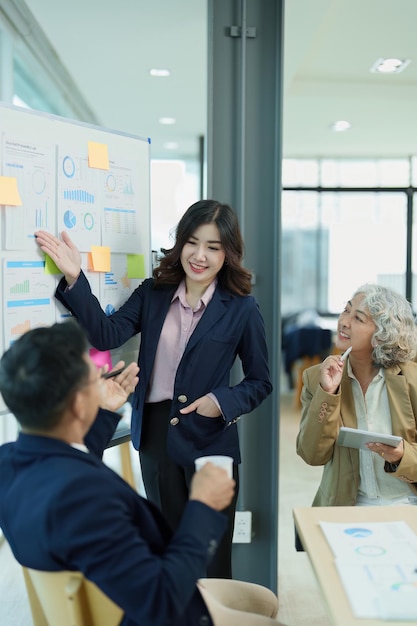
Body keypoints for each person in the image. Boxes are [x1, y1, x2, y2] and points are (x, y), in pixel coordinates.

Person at [34, 199, 272, 579]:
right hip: (157, 438)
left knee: (210, 559)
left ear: (227, 253)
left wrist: (221, 401)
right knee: (169, 552)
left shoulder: (241, 308)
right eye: (192, 242)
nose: (199, 255)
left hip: (210, 442)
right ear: (180, 243)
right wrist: (77, 279)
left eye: (213, 247)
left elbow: (260, 381)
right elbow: (105, 334)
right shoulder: (155, 292)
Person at [0, 321, 281, 626]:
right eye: (94, 376)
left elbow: (68, 466)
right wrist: (203, 507)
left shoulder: (11, 464)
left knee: (264, 600)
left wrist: (104, 411)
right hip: (158, 605)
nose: (101, 376)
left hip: (123, 590)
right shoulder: (87, 500)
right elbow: (160, 603)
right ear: (79, 404)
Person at [297, 283, 417, 510]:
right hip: (348, 506)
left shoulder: (413, 380)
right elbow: (312, 454)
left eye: (359, 318)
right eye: (346, 310)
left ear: (382, 335)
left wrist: (403, 456)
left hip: (408, 503)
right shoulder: (316, 378)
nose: (344, 321)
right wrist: (327, 393)